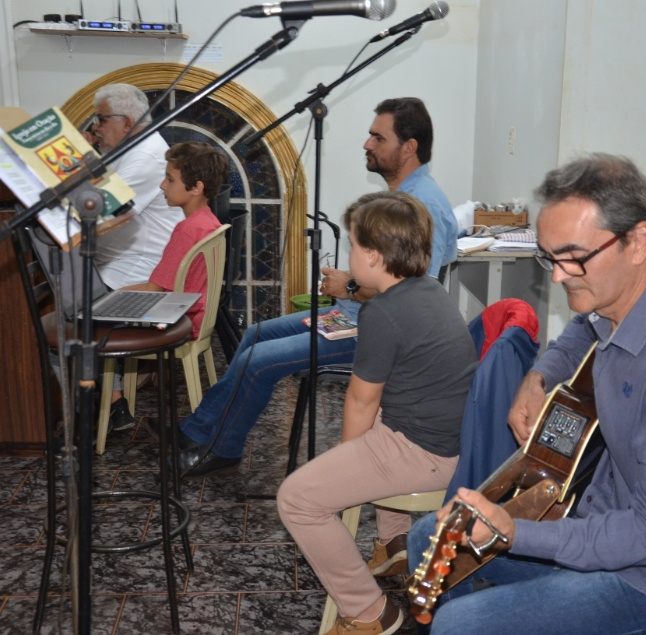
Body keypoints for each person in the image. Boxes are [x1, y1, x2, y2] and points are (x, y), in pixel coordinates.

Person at [406, 154, 646, 635]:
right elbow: (581, 334)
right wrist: (538, 377)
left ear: (637, 241)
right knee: (430, 539)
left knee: (462, 625)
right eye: (549, 257)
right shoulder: (618, 302)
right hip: (612, 531)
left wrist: (517, 531)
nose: (558, 276)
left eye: (573, 257)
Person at [175, 97, 458, 477]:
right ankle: (199, 429)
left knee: (257, 363)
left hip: (375, 332)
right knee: (255, 335)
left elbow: (411, 292)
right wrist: (353, 286)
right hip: (356, 312)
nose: (367, 144)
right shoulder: (405, 197)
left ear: (409, 148)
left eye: (378, 137)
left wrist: (351, 284)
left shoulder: (422, 204)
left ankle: (222, 447)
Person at [277, 190, 477, 635]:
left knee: (297, 499)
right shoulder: (427, 290)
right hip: (447, 438)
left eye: (352, 245)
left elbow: (361, 400)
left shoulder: (383, 314)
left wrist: (348, 460)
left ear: (372, 255)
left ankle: (370, 612)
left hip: (427, 453)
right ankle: (394, 543)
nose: (350, 256)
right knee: (378, 425)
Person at [83, 83, 184, 430]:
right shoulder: (131, 148)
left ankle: (108, 404)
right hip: (122, 260)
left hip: (138, 270)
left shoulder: (143, 157)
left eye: (101, 119)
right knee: (67, 287)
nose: (96, 127)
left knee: (70, 316)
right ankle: (109, 400)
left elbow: (98, 212)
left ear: (126, 122)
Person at [122, 141, 228, 342]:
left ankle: (114, 373)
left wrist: (107, 299)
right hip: (196, 316)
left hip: (178, 320)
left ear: (196, 188)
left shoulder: (187, 230)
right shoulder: (209, 221)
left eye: (170, 179)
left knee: (97, 320)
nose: (162, 185)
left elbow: (153, 290)